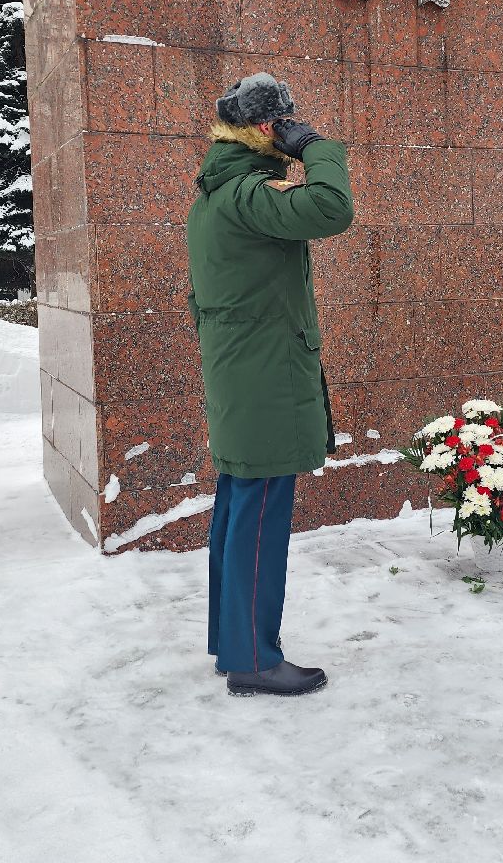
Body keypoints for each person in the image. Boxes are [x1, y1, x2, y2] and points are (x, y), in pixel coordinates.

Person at [187, 73, 353, 697]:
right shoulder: (247, 192)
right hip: (263, 375)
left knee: (237, 507)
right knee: (257, 518)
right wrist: (317, 149)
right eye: (286, 120)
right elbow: (334, 209)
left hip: (245, 372)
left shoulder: (216, 194)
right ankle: (254, 659)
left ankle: (233, 643)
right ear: (266, 128)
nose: (292, 127)